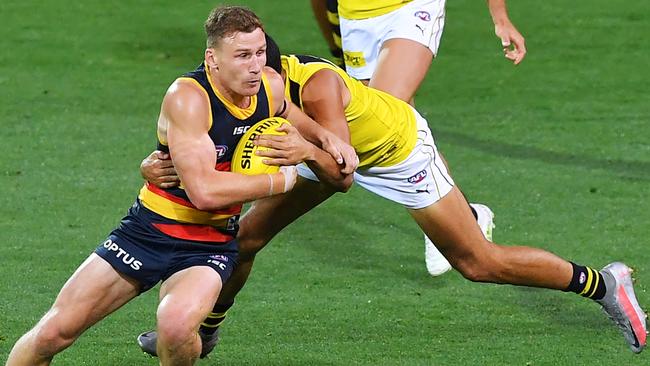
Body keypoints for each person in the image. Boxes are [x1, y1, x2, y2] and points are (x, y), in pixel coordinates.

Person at [136, 38, 647, 358]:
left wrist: (301, 151)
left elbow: (341, 173)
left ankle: (604, 284)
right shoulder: (251, 85)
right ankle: (206, 332)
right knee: (245, 238)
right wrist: (157, 163)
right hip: (318, 152)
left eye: (252, 64)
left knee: (477, 262)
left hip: (392, 153)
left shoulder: (317, 88)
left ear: (271, 67)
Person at [6, 7, 357, 366]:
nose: (255, 65)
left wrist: (327, 138)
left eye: (259, 53)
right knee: (52, 334)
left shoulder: (267, 84)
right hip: (147, 232)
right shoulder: (189, 98)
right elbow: (203, 192)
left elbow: (285, 112)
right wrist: (278, 180)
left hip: (209, 244)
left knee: (174, 328)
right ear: (212, 58)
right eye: (242, 56)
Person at [311, 0, 526, 275]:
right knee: (401, 121)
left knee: (386, 116)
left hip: (412, 8)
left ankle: (448, 217)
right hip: (356, 18)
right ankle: (466, 215)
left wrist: (501, 18)